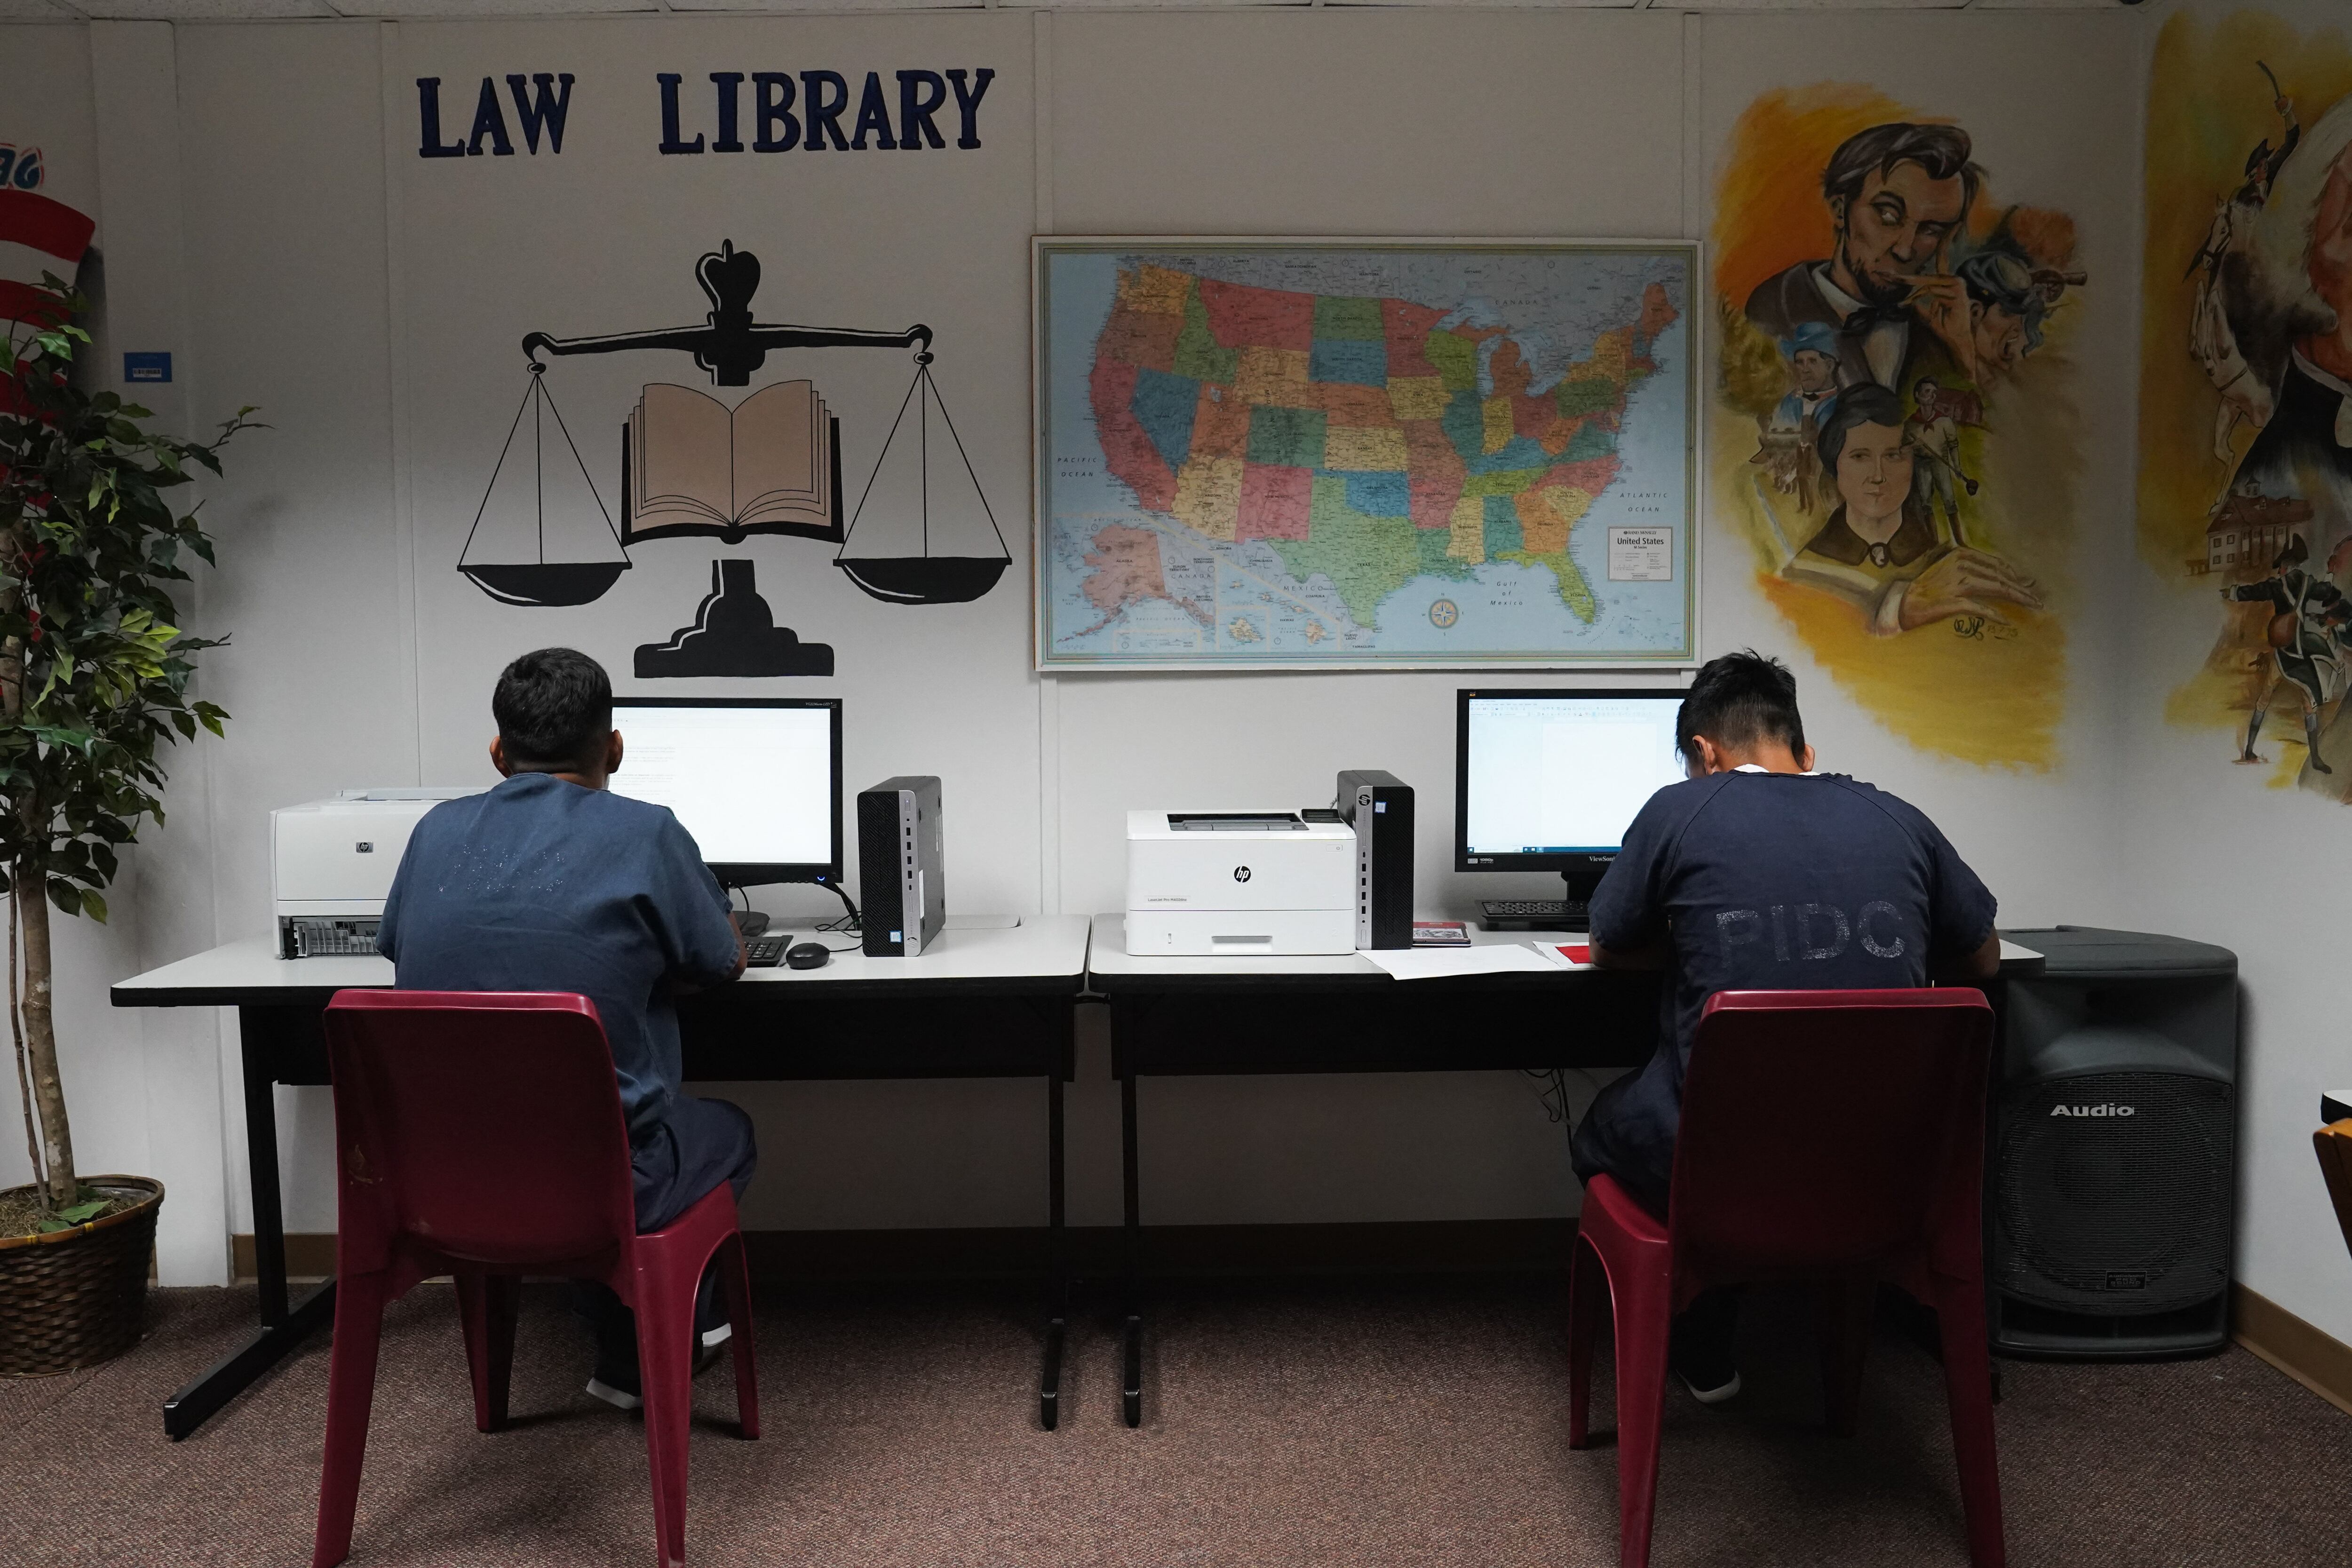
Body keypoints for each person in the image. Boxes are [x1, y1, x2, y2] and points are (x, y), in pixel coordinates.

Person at [1569, 650, 2000, 1402]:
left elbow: (1608, 941)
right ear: (1805, 752)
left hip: (1723, 1171)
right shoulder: (1897, 815)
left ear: (1704, 754)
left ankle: (1701, 1336)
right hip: (1891, 1174)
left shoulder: (1681, 808)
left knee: (1616, 1123)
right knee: (1782, 1117)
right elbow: (1985, 960)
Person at [376, 647, 754, 1410]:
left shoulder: (432, 833)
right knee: (730, 1131)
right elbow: (720, 961)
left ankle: (632, 1342)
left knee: (583, 1131)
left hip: (443, 1185)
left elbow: (402, 947)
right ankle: (659, 1333)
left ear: (497, 751)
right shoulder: (646, 833)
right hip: (602, 1186)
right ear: (614, 747)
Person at [1744, 121, 1980, 394]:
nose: (1904, 250)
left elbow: (1963, 433)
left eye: (1931, 230)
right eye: (1888, 214)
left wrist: (1962, 357)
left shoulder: (1937, 337)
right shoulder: (1771, 314)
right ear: (1840, 210)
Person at [1786, 383, 2040, 634]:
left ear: (1912, 464)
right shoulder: (1805, 573)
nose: (1878, 476)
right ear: (1835, 466)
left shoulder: (1944, 565)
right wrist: (1897, 611)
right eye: (1860, 457)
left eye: (1893, 456)